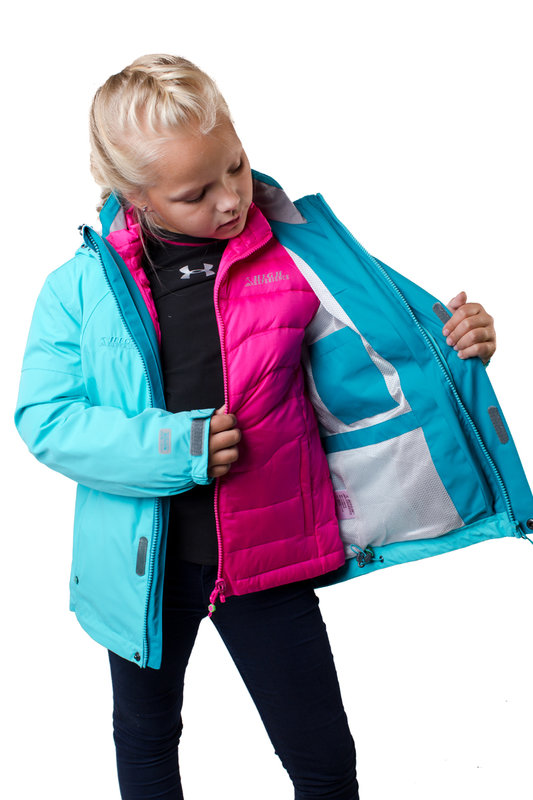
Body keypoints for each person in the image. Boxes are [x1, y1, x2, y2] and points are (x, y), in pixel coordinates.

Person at [15, 54, 497, 800]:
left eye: (235, 167)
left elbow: (401, 344)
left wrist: (464, 337)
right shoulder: (78, 288)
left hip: (269, 558)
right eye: (195, 193)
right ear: (133, 196)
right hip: (142, 566)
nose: (230, 199)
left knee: (323, 760)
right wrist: (178, 448)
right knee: (146, 736)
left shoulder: (298, 255)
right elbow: (45, 418)